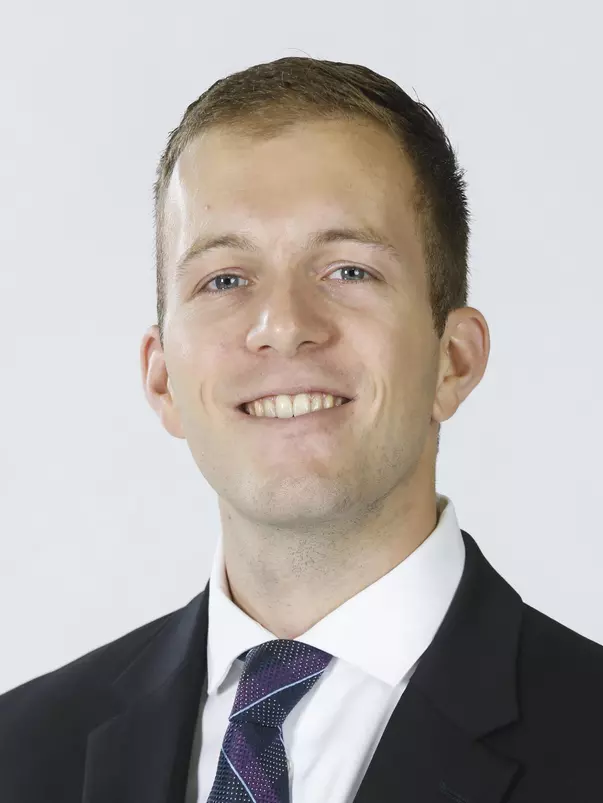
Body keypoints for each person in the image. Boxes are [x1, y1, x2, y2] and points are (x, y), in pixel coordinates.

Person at [1, 56, 602, 803]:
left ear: (453, 359)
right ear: (163, 379)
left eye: (347, 270)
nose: (283, 326)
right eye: (224, 278)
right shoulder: (19, 753)